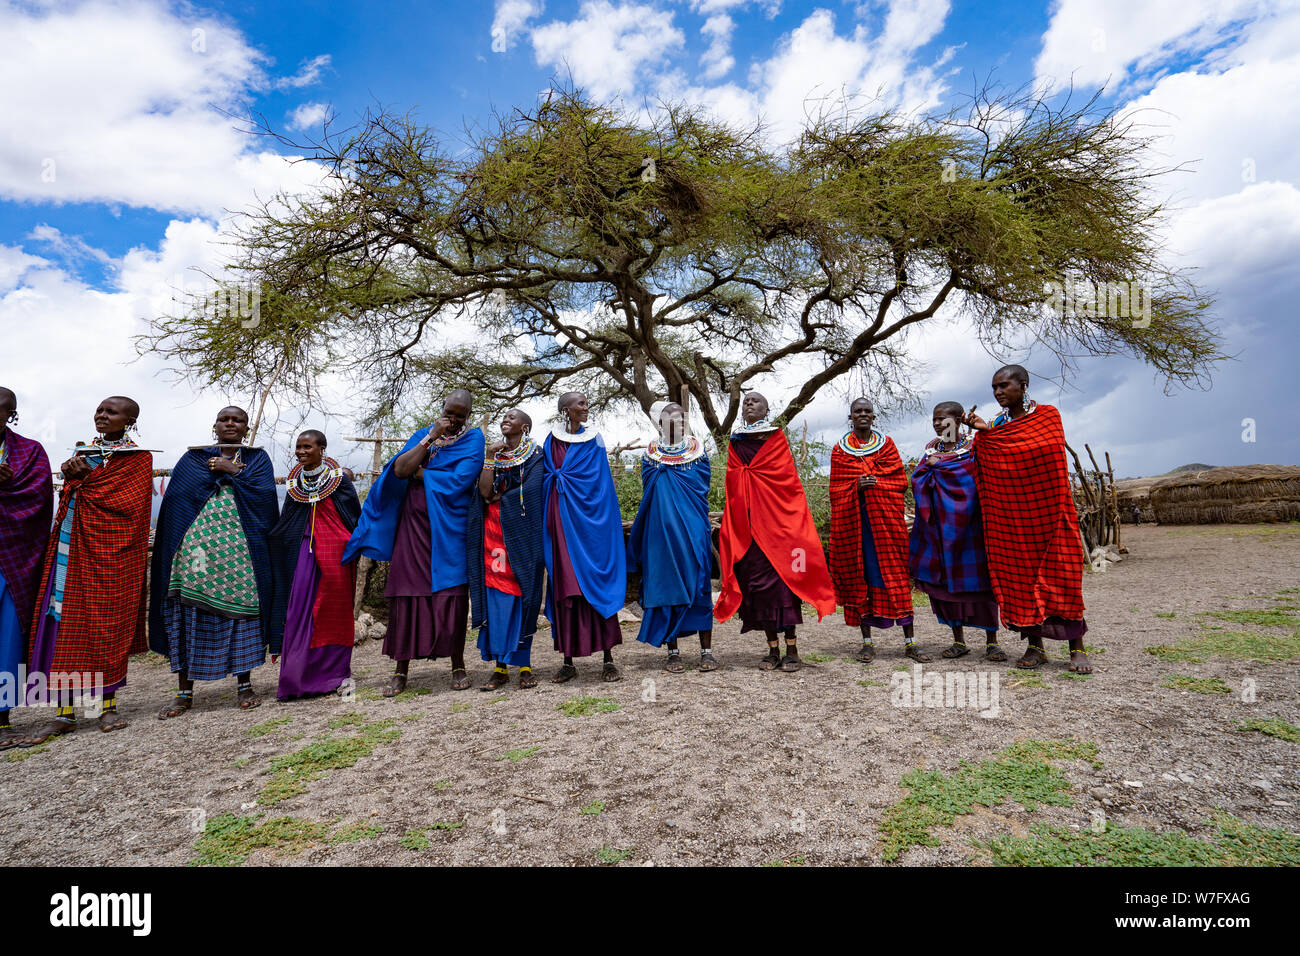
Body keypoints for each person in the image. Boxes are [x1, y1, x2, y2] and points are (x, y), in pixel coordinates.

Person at [19, 397, 152, 746]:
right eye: (99, 410)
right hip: (70, 550)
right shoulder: (82, 452)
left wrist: (87, 477)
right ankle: (64, 715)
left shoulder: (138, 458)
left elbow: (128, 506)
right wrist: (73, 477)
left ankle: (106, 707)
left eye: (111, 412)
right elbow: (72, 495)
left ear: (130, 420)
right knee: (62, 625)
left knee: (105, 624)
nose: (102, 415)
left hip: (111, 555)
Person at [344, 390, 485, 694]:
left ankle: (458, 663)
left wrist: (422, 473)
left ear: (468, 415)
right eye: (450, 412)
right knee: (408, 594)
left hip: (450, 527)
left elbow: (460, 481)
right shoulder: (424, 434)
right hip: (414, 527)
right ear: (442, 409)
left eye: (461, 415)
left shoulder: (474, 440)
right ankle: (400, 669)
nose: (455, 419)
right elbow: (400, 469)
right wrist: (430, 438)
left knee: (452, 595)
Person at [152, 406, 279, 716]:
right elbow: (178, 501)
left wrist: (233, 470)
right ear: (215, 425)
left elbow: (264, 498)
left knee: (244, 617)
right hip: (196, 557)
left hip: (241, 556)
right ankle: (184, 692)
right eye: (225, 419)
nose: (231, 423)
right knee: (188, 614)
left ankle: (244, 686)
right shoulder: (193, 459)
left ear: (247, 428)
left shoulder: (257, 459)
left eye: (238, 420)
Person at [965, 365, 1090, 672]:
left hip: (1050, 512)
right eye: (994, 388)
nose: (998, 393)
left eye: (1004, 386)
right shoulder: (996, 425)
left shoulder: (1047, 416)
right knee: (1020, 578)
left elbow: (1046, 453)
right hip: (1013, 519)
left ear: (1023, 386)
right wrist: (986, 435)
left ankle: (1077, 648)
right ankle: (1036, 647)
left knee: (1063, 577)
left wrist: (995, 438)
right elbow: (989, 463)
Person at [715, 392, 836, 672]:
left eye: (755, 401)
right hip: (749, 531)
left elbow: (786, 483)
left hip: (780, 530)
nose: (749, 404)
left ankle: (792, 649)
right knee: (757, 589)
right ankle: (772, 649)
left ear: (767, 409)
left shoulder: (775, 439)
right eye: (746, 402)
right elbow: (734, 481)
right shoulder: (735, 441)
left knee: (785, 588)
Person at [829, 398, 929, 663]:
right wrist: (856, 487)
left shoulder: (887, 446)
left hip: (886, 529)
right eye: (857, 411)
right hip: (857, 529)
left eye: (867, 411)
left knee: (896, 578)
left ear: (874, 416)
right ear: (850, 416)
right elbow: (836, 490)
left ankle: (910, 642)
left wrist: (875, 485)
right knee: (860, 578)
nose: (862, 414)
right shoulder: (840, 451)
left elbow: (898, 481)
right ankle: (867, 642)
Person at [269, 430, 361, 700]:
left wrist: (348, 544)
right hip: (304, 552)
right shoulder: (295, 483)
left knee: (334, 611)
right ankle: (296, 677)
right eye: (298, 447)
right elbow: (289, 520)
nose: (301, 451)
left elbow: (352, 516)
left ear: (322, 448)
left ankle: (333, 674)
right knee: (299, 609)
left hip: (336, 553)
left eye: (307, 446)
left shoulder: (339, 480)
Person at [626, 401, 718, 673]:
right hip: (660, 535)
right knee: (665, 589)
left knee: (700, 586)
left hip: (692, 531)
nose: (675, 423)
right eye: (669, 419)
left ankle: (707, 652)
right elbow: (650, 494)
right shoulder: (650, 456)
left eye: (680, 419)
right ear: (660, 423)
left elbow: (700, 491)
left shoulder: (698, 453)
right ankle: (673, 652)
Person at [909, 402, 1004, 661]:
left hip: (971, 528)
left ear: (959, 420)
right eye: (935, 419)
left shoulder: (975, 447)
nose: (938, 424)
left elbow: (983, 479)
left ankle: (992, 642)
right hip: (940, 529)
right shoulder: (930, 449)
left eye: (943, 419)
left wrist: (937, 468)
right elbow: (918, 481)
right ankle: (958, 641)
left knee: (980, 585)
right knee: (946, 586)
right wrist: (930, 468)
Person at [543, 392, 626, 683]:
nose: (586, 408)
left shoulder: (594, 441)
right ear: (566, 410)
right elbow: (546, 479)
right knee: (567, 588)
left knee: (597, 584)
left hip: (593, 527)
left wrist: (599, 522)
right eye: (580, 404)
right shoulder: (550, 441)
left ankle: (608, 658)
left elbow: (601, 483)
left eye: (587, 403)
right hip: (562, 524)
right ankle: (568, 660)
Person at [468, 408, 545, 691]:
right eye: (504, 416)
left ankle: (524, 666)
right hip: (493, 536)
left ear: (525, 426)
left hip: (524, 538)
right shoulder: (494, 456)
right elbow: (485, 492)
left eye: (513, 417)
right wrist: (489, 459)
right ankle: (500, 668)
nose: (506, 419)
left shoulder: (536, 455)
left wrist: (507, 499)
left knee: (525, 598)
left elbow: (535, 490)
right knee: (497, 598)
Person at [0, 389, 53, 749]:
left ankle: (2, 718)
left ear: (11, 414)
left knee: (7, 635)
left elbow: (37, 499)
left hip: (10, 557)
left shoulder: (29, 452)